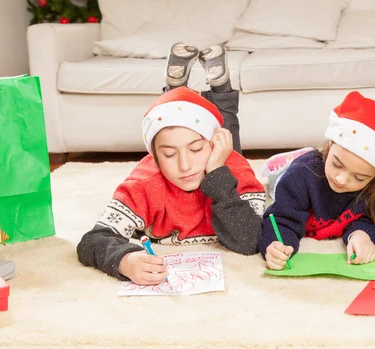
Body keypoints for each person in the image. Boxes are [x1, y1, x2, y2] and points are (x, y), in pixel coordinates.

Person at [77, 44, 266, 285]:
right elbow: (92, 241)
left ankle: (217, 89)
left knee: (225, 126)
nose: (185, 165)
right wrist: (124, 260)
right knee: (185, 124)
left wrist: (218, 173)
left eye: (196, 149)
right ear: (154, 157)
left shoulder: (237, 172)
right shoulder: (145, 184)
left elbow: (251, 241)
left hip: (223, 165)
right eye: (168, 154)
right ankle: (178, 91)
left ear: (211, 147)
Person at [258, 91, 375, 270]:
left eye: (359, 177)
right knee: (277, 181)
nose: (341, 179)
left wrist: (361, 234)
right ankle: (281, 164)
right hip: (295, 174)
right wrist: (276, 245)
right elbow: (280, 219)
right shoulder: (299, 178)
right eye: (337, 164)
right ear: (331, 144)